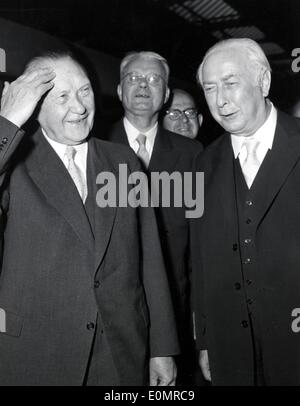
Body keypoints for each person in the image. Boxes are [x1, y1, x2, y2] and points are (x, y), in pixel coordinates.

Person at [0, 51, 179, 386]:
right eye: (62, 96)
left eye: (84, 91)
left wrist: (162, 347)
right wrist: (6, 124)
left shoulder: (124, 162)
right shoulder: (13, 163)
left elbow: (151, 259)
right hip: (37, 354)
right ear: (34, 106)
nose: (80, 107)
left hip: (119, 354)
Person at [191, 37, 300, 386]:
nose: (220, 101)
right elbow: (200, 262)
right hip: (231, 352)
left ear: (264, 81)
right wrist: (206, 340)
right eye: (210, 88)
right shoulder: (202, 164)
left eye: (231, 84)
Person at [108, 51, 203, 384]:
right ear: (119, 90)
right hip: (110, 317)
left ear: (165, 95)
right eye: (133, 78)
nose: (143, 86)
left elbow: (199, 246)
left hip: (174, 312)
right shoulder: (94, 148)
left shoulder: (191, 155)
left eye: (153, 80)